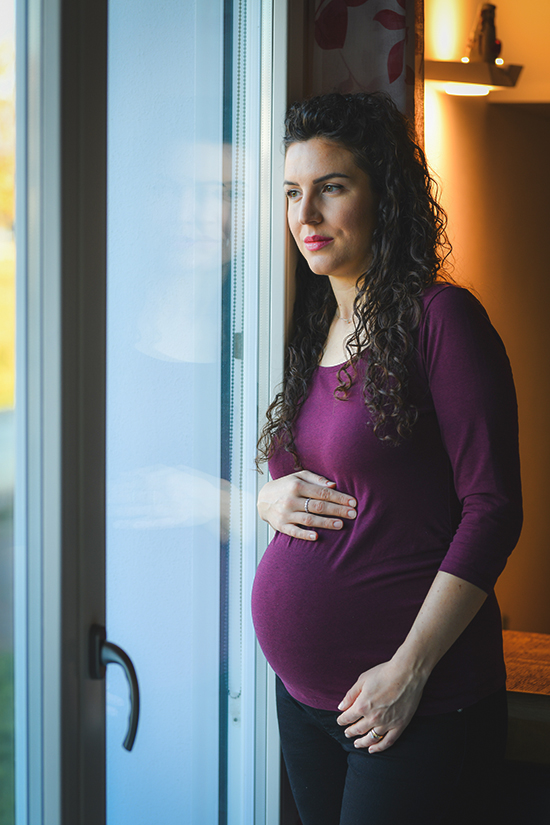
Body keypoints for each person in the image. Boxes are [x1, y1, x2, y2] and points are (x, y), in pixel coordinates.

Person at [251, 92, 522, 825]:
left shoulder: (442, 321)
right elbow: (304, 478)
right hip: (308, 700)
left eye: (331, 187)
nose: (304, 215)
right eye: (291, 193)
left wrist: (410, 669)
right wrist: (265, 498)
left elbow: (494, 508)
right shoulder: (313, 325)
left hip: (412, 704)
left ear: (385, 196)